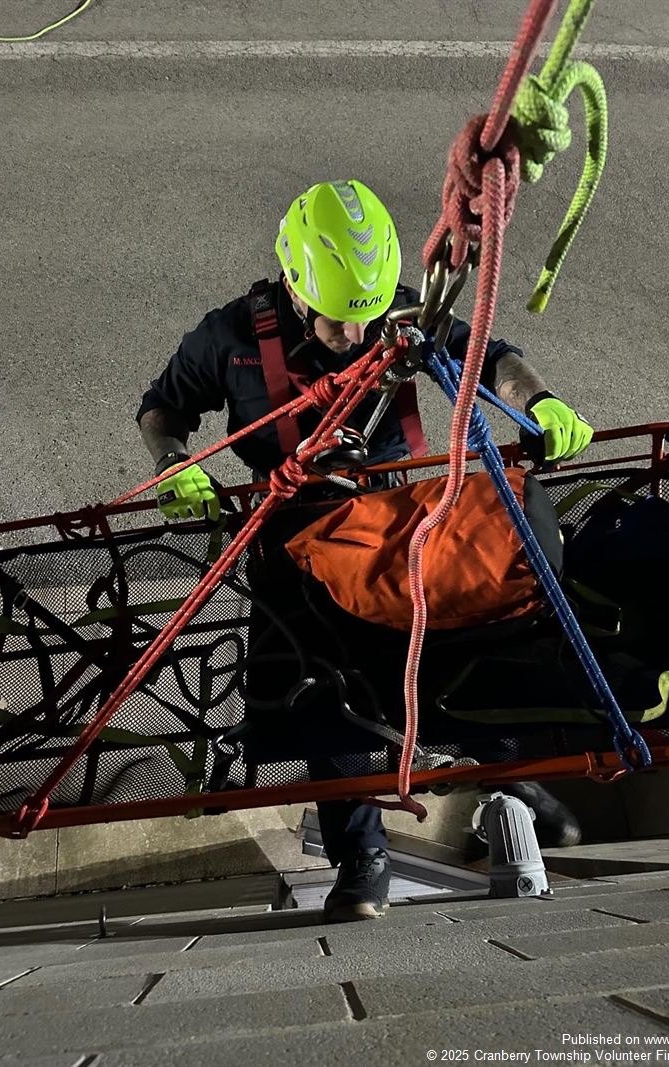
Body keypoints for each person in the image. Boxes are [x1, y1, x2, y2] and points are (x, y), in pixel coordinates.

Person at [137, 179, 589, 923]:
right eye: (340, 322)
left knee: (472, 630)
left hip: (394, 517)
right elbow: (164, 405)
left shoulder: (401, 318)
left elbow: (490, 356)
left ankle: (510, 771)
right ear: (293, 285)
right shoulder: (230, 340)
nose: (358, 335)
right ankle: (361, 856)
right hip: (299, 537)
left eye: (368, 317)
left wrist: (536, 399)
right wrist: (172, 464)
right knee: (322, 698)